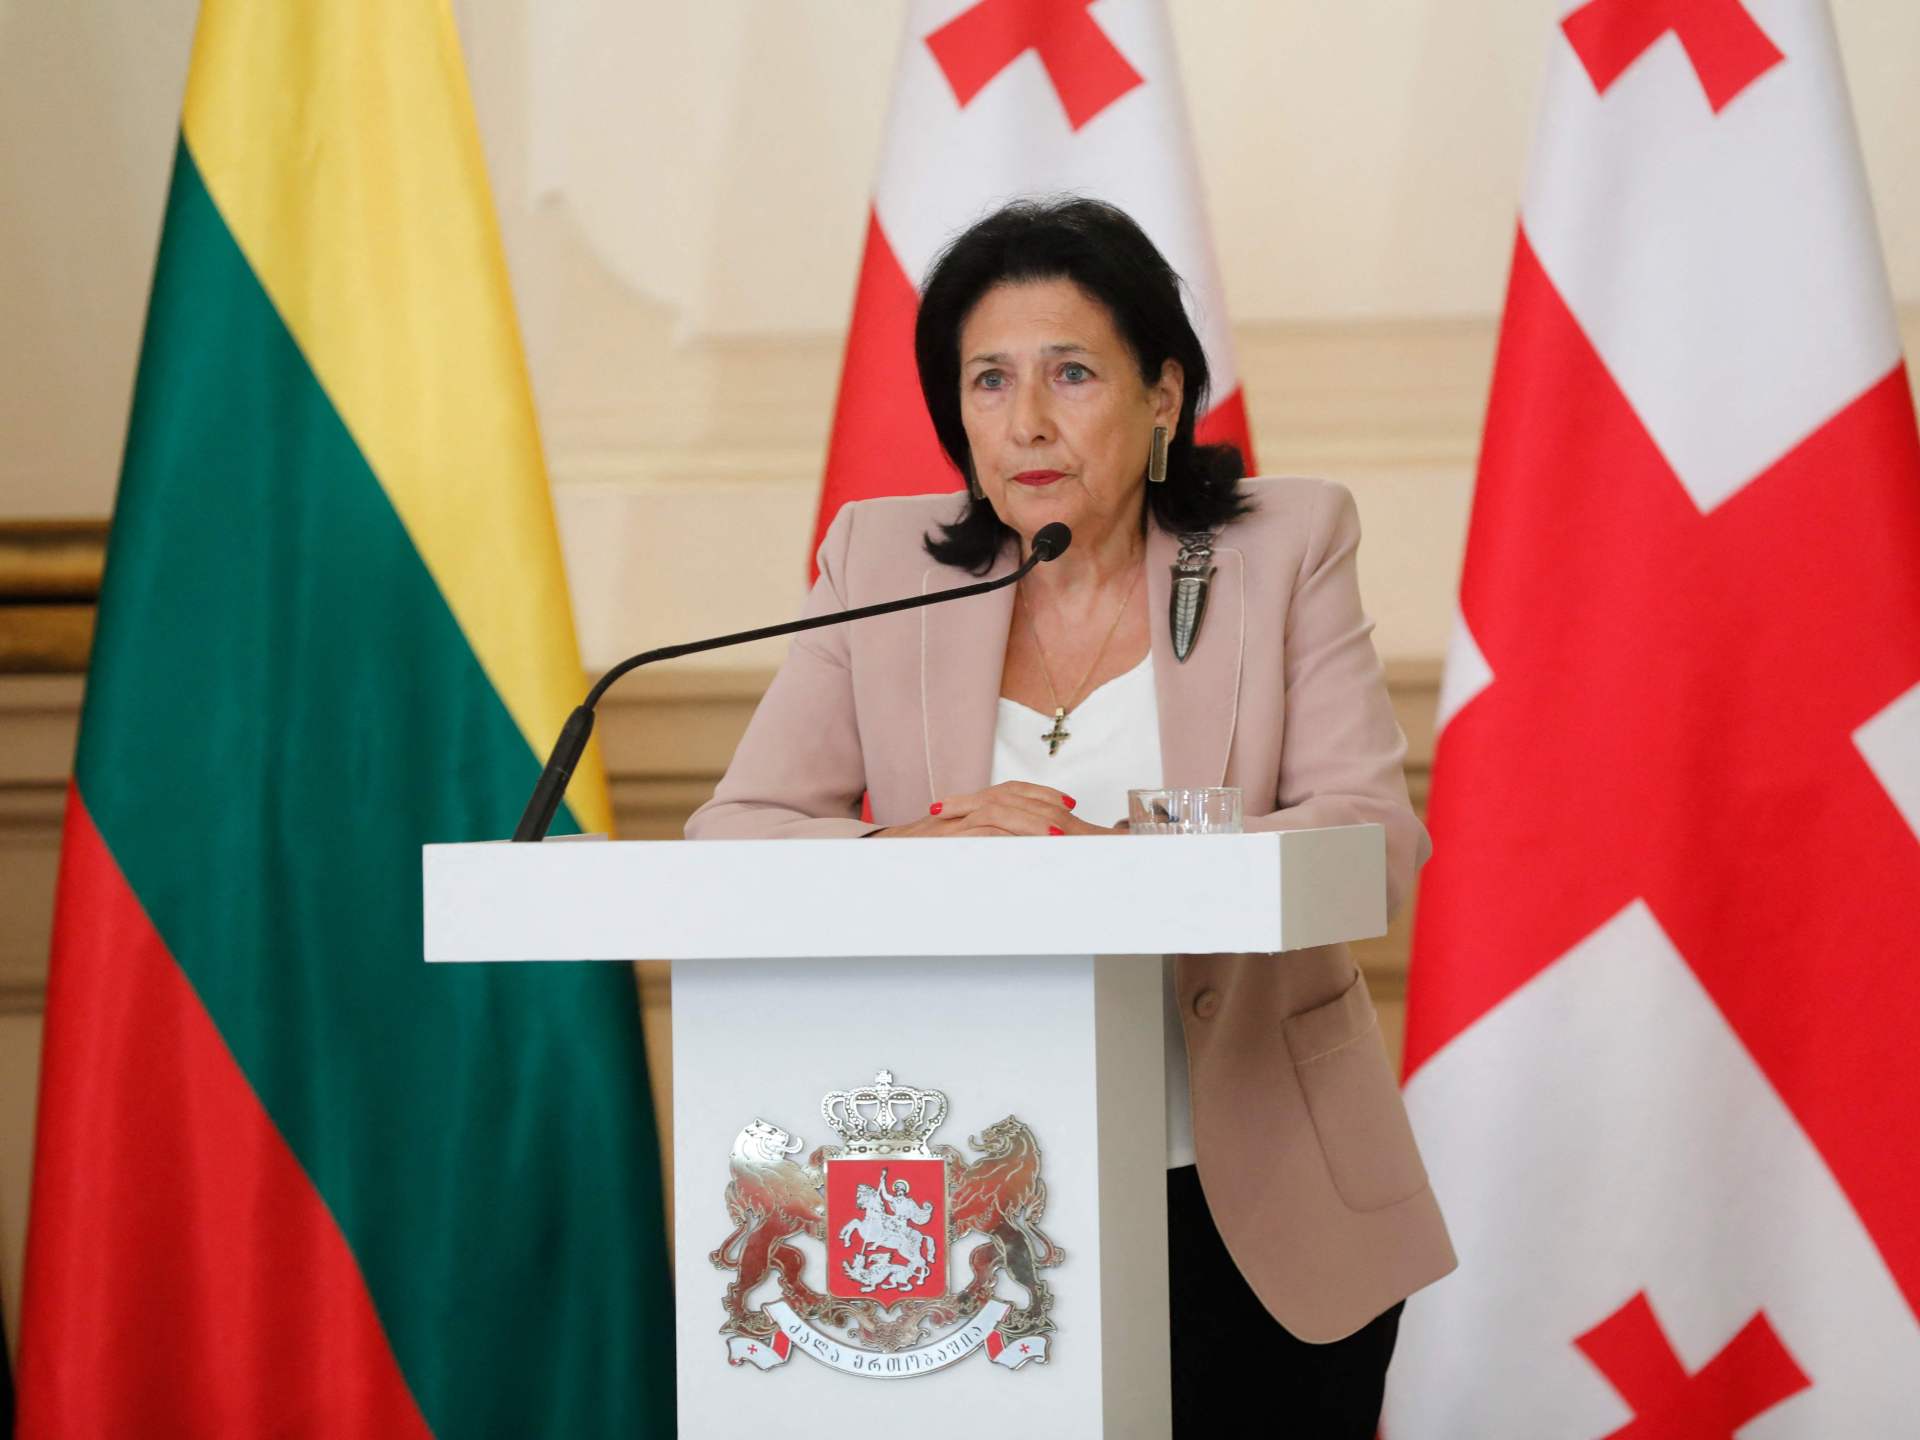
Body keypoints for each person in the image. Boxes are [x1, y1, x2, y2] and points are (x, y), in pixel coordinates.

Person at [687, 196, 1454, 1433]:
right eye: (988, 381)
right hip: (972, 1217)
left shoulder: (1284, 546)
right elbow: (733, 832)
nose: (1027, 420)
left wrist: (1122, 866)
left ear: (1162, 397)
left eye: (1072, 373)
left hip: (1253, 1194)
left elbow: (1371, 841)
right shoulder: (881, 563)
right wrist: (911, 847)